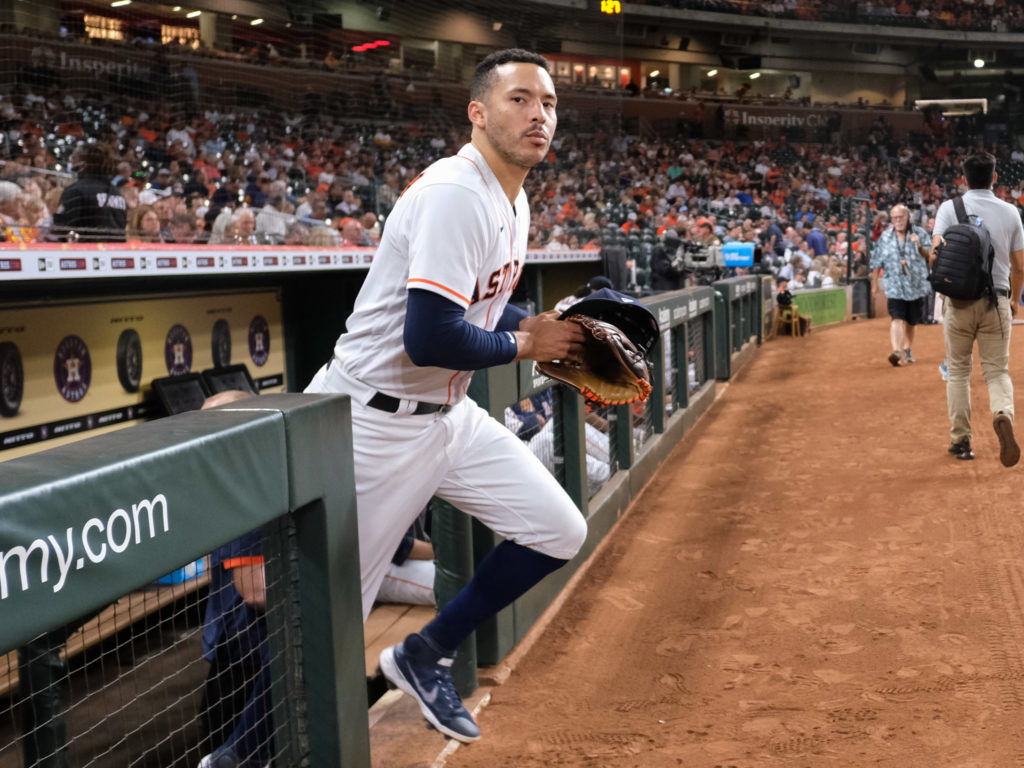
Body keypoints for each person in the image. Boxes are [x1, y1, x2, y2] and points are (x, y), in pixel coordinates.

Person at [303, 48, 587, 743]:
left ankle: (425, 652)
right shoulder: (456, 192)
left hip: (447, 418)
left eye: (548, 104)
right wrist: (527, 346)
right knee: (328, 629)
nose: (538, 115)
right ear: (478, 111)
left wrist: (548, 330)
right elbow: (429, 337)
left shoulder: (511, 197)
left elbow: (481, 312)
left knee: (558, 529)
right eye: (520, 99)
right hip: (370, 426)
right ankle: (236, 756)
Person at [197, 390, 274, 768]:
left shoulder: (241, 483)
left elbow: (255, 589)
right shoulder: (248, 480)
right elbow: (255, 589)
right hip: (246, 656)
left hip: (250, 656)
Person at [931, 152, 1024, 464]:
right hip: (995, 300)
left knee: (958, 371)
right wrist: (1013, 299)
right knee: (997, 371)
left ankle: (962, 441)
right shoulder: (1010, 212)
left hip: (958, 302)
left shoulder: (949, 208)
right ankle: (1003, 417)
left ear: (964, 178)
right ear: (995, 178)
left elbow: (935, 255)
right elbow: (1020, 266)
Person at [869, 203, 931, 366]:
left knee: (911, 322)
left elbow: (930, 256)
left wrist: (918, 245)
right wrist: (875, 285)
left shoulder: (920, 234)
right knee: (896, 318)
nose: (897, 221)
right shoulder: (885, 237)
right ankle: (896, 351)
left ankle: (907, 348)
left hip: (916, 285)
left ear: (908, 217)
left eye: (901, 217)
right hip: (894, 285)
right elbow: (876, 261)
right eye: (895, 218)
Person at [50, 143, 127, 243]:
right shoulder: (117, 193)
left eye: (74, 157)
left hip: (85, 253)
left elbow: (61, 228)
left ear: (83, 164)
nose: (70, 160)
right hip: (116, 254)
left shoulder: (75, 190)